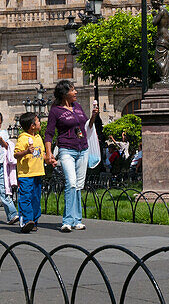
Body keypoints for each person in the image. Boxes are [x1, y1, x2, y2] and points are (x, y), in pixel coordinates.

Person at [44, 79, 98, 232]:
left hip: (83, 149)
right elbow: (49, 133)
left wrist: (94, 116)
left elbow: (87, 126)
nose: (76, 92)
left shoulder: (78, 107)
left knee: (79, 186)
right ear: (64, 93)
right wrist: (48, 153)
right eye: (72, 90)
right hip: (66, 149)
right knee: (71, 183)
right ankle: (67, 221)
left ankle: (77, 220)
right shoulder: (56, 111)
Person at [13, 111, 45, 233]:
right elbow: (16, 154)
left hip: (37, 173)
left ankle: (34, 221)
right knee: (26, 197)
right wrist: (26, 152)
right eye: (38, 122)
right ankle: (26, 221)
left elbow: (42, 153)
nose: (39, 123)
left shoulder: (38, 138)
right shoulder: (23, 139)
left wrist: (49, 158)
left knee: (36, 198)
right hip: (26, 174)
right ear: (32, 126)